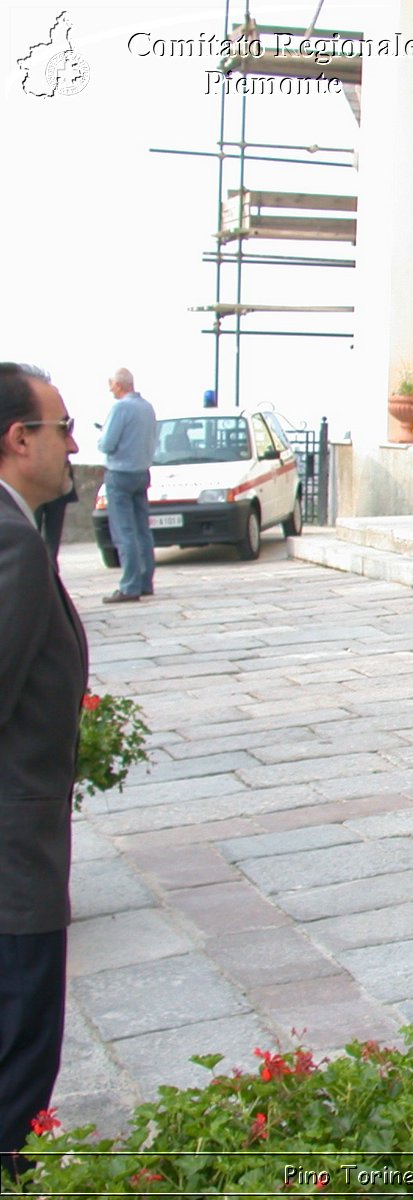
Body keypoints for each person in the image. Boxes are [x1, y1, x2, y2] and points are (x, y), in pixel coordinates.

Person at [0, 363, 87, 1176]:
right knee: (20, 1065)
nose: (73, 445)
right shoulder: (13, 548)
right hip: (13, 856)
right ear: (18, 439)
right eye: (61, 429)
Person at [98, 367, 158, 604]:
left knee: (124, 531)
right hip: (141, 471)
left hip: (120, 473)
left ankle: (129, 585)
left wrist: (100, 438)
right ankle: (145, 581)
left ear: (120, 385)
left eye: (111, 384)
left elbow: (107, 443)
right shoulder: (147, 407)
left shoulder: (120, 407)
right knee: (142, 529)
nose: (110, 388)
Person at [34, 465, 76, 562]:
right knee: (33, 528)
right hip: (39, 477)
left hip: (57, 476)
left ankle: (51, 568)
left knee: (52, 532)